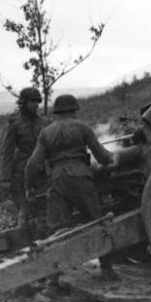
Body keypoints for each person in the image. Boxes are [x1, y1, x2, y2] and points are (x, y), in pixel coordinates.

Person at [25, 94, 120, 285]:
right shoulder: (82, 127)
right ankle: (107, 270)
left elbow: (32, 165)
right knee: (98, 222)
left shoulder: (46, 132)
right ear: (74, 110)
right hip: (81, 178)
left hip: (57, 181)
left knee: (57, 232)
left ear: (57, 112)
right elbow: (101, 156)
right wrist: (112, 159)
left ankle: (53, 282)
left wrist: (29, 186)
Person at [0, 87, 47, 227]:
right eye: (32, 101)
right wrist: (6, 178)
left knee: (45, 206)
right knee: (24, 209)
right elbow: (7, 152)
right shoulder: (15, 125)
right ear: (24, 102)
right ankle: (23, 238)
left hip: (42, 171)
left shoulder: (44, 122)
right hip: (21, 172)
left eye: (37, 101)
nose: (36, 105)